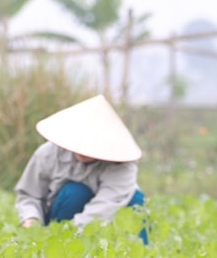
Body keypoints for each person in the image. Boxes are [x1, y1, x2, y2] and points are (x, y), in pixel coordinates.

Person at [14, 94, 147, 237]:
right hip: (58, 220)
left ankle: (139, 255)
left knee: (136, 200)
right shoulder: (47, 154)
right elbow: (29, 195)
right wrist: (31, 221)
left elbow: (103, 209)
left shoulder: (123, 166)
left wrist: (72, 236)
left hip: (104, 222)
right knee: (75, 192)